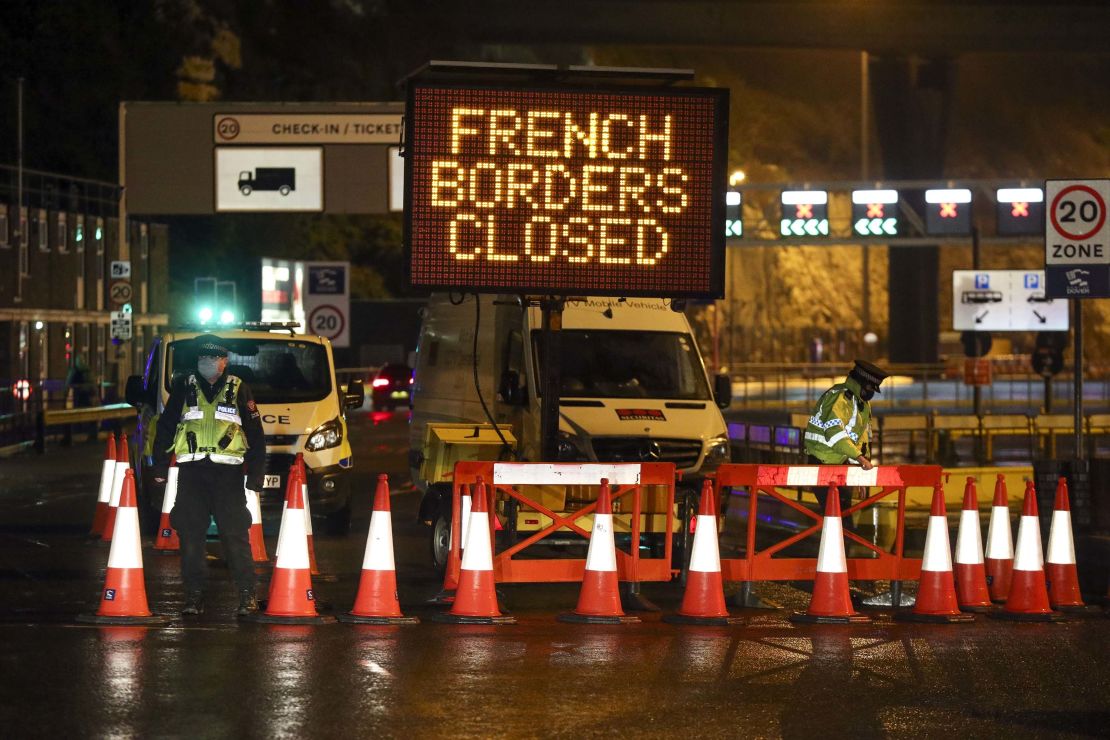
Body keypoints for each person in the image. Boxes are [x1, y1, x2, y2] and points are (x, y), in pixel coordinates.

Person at [152, 335, 266, 617]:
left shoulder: (239, 388)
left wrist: (256, 475)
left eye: (212, 360)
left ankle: (246, 595)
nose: (207, 364)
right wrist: (159, 468)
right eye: (203, 360)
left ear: (224, 362)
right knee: (190, 537)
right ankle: (194, 596)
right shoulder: (184, 386)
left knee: (235, 536)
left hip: (227, 476)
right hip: (192, 474)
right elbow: (166, 427)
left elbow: (256, 435)